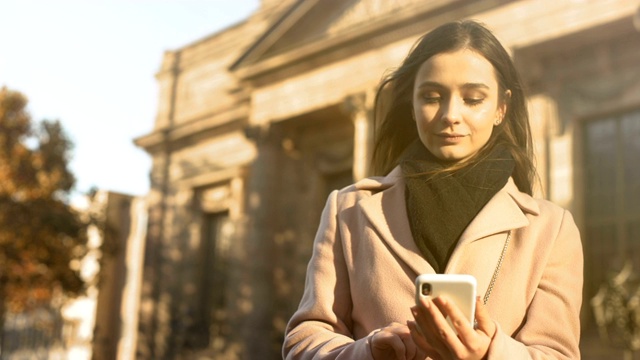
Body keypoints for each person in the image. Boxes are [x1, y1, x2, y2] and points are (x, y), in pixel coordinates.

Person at [282, 20, 583, 360]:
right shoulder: (349, 208)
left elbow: (558, 354)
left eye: (473, 99)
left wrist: (490, 353)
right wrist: (365, 353)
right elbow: (304, 341)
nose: (450, 115)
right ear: (411, 105)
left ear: (502, 107)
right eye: (432, 97)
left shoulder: (550, 228)